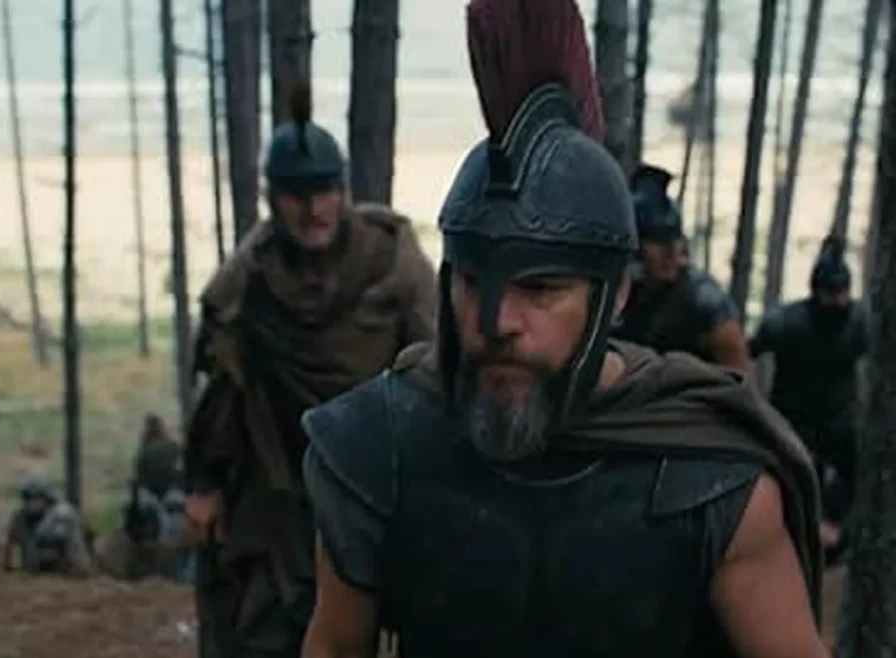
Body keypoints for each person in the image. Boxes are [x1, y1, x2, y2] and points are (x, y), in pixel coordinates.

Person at [299, 2, 827, 656]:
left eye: (541, 289)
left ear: (615, 296)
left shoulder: (710, 479)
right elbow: (333, 647)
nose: (496, 323)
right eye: (473, 282)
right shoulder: (377, 450)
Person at [184, 80, 438, 658]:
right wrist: (206, 482)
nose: (313, 209)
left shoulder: (391, 264)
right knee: (261, 626)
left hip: (375, 483)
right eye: (297, 195)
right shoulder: (248, 281)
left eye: (324, 191)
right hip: (277, 489)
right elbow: (225, 392)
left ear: (342, 191)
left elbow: (434, 376)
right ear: (274, 200)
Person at [750, 235, 871, 564]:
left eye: (843, 293)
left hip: (839, 421)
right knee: (797, 488)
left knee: (855, 473)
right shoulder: (785, 323)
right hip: (793, 422)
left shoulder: (861, 322)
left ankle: (833, 535)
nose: (838, 302)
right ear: (816, 293)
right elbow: (744, 353)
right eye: (831, 294)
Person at [612, 164, 750, 369]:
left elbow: (740, 376)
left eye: (674, 241)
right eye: (657, 242)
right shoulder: (620, 293)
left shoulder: (705, 304)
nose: (670, 253)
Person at [134, 413, 183, 499]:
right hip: (170, 484)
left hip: (152, 486)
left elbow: (140, 470)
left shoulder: (146, 448)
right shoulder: (171, 444)